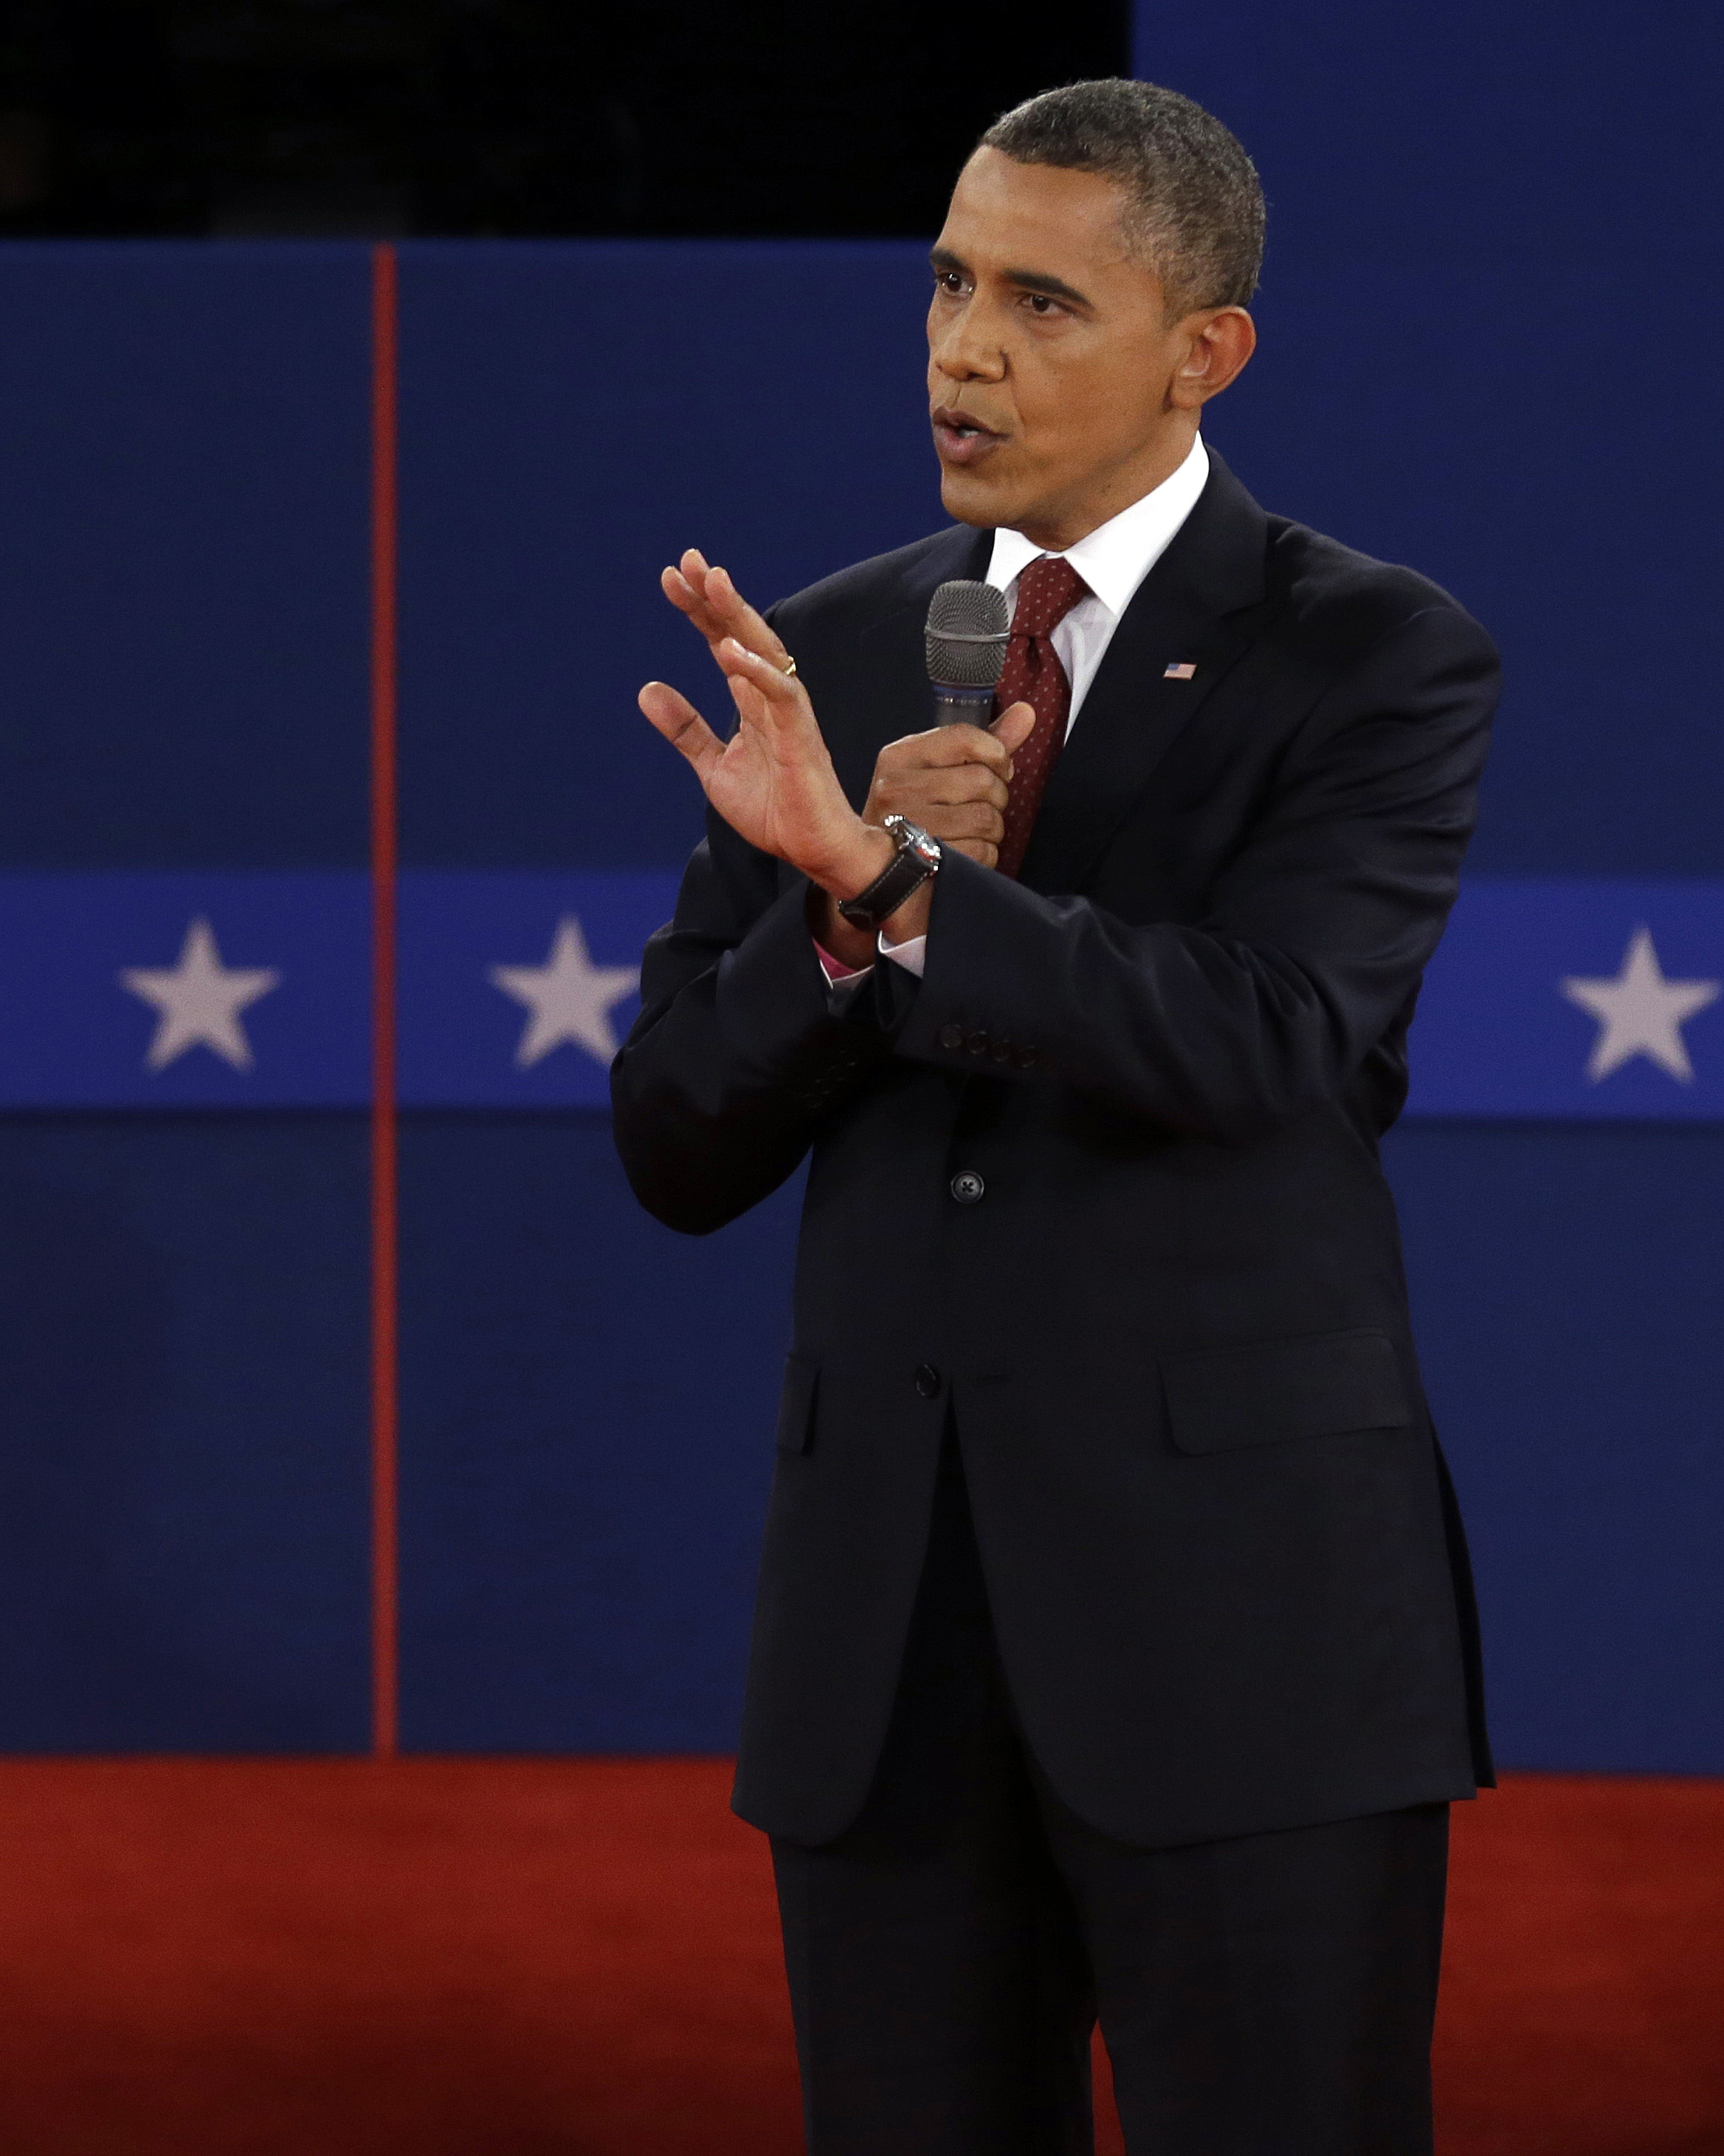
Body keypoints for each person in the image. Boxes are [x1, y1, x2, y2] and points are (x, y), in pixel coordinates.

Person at [612, 80, 1497, 2155]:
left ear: (1207, 352)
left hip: (1252, 1644)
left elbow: (1273, 1041)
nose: (962, 347)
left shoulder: (1369, 651)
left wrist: (915, 901)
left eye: (1038, 299)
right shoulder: (823, 651)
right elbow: (673, 1138)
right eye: (943, 282)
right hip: (886, 1659)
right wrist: (831, 933)